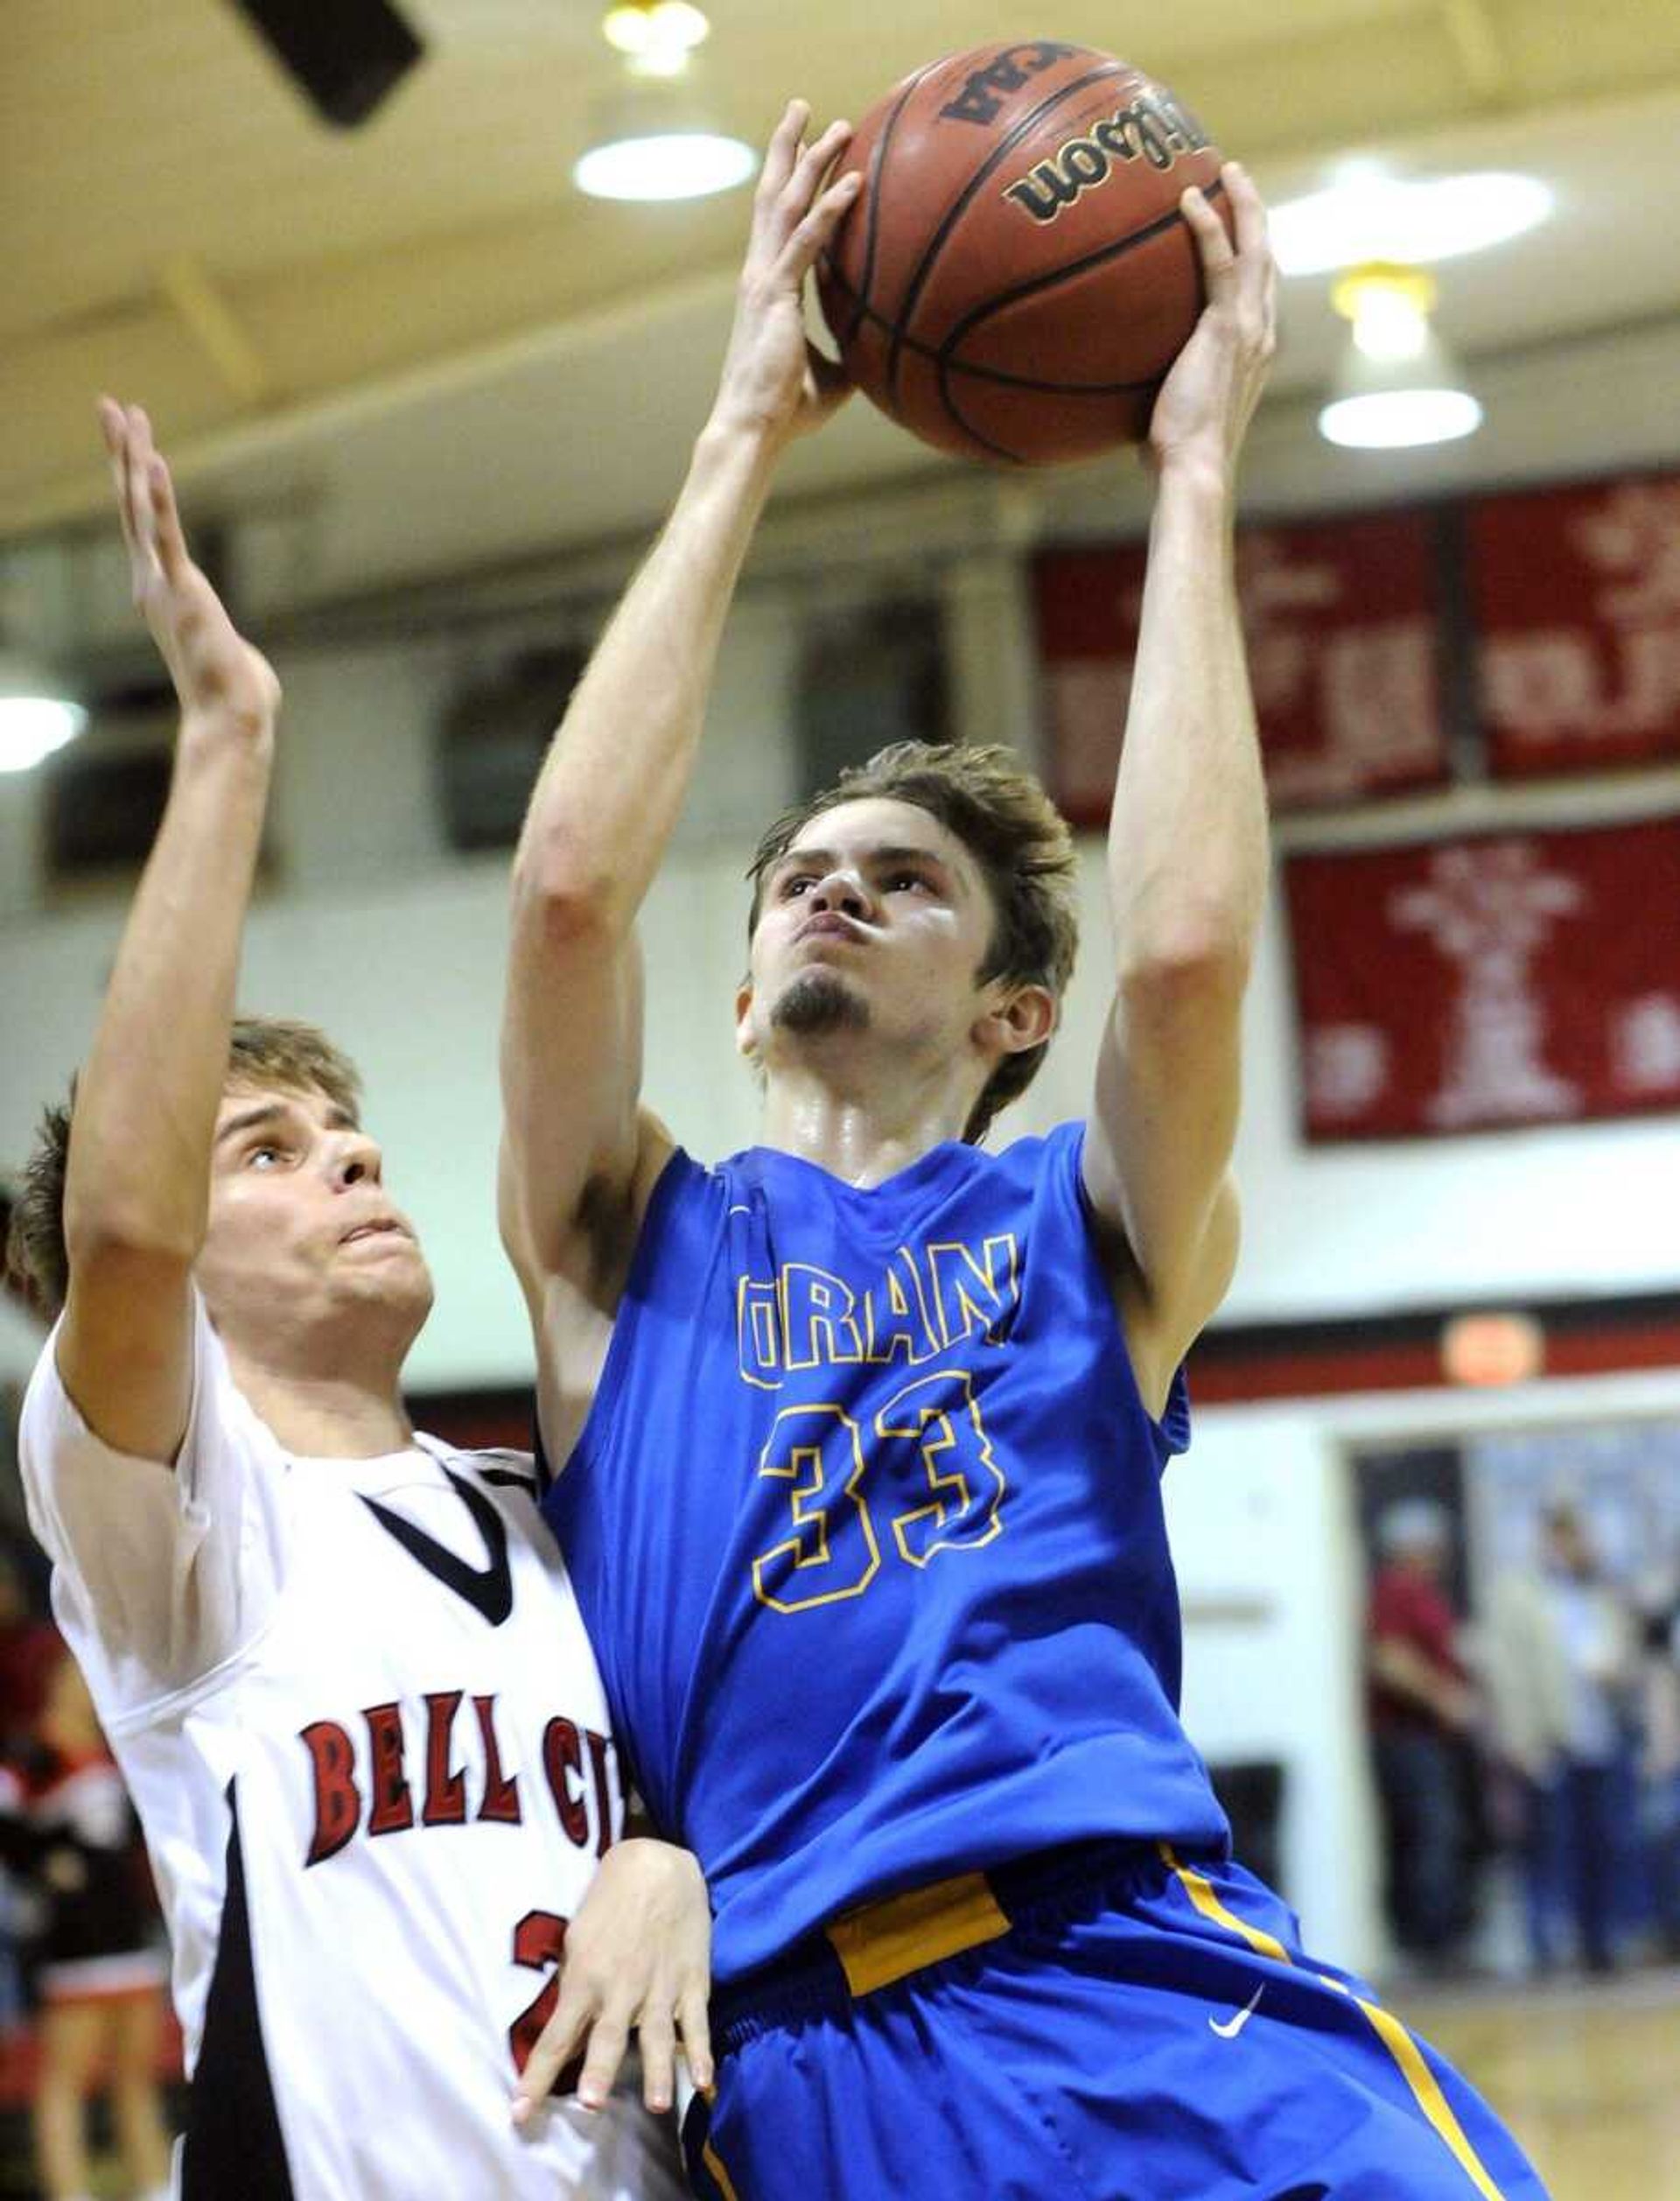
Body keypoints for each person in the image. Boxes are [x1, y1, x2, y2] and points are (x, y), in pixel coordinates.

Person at [500, 101, 1550, 2198]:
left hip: (1136, 1972)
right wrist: (735, 441)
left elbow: (1177, 956)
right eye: (800, 873)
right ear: (731, 993)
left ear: (1007, 1018)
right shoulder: (630, 1242)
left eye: (900, 880)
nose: (832, 890)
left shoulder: (1081, 1225)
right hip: (805, 2054)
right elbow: (558, 900)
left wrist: (1189, 474)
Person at [9, 400, 704, 2199]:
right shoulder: (183, 1533)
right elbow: (131, 1237)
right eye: (269, 1150)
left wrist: (675, 1855)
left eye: (352, 1134)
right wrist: (230, 740)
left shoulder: (548, 1520)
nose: (352, 1163)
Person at [0, 1637, 172, 2201]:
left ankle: (154, 2186)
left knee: (136, 2072)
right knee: (65, 2079)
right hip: (74, 1941)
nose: (89, 1679)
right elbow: (13, 1837)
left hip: (125, 1930)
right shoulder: (31, 1755)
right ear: (52, 1680)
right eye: (77, 1672)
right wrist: (47, 1865)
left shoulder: (113, 1748)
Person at [1486, 1502, 1636, 1974]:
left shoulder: (1600, 1592)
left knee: (1604, 1844)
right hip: (1549, 1742)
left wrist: (1616, 1670)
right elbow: (1509, 1674)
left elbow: (1628, 1655)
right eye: (1562, 1537)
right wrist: (1520, 1741)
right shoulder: (1521, 1595)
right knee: (1549, 1849)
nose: (1572, 1547)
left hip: (1602, 1738)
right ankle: (1545, 1949)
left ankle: (1600, 1944)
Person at [1367, 1498, 1476, 1966]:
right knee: (1430, 1835)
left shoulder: (1425, 1592)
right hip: (1408, 1739)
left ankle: (1443, 1938)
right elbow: (1389, 1660)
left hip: (1431, 1740)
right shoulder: (1396, 1590)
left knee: (1443, 1834)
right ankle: (1431, 1949)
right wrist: (1444, 1697)